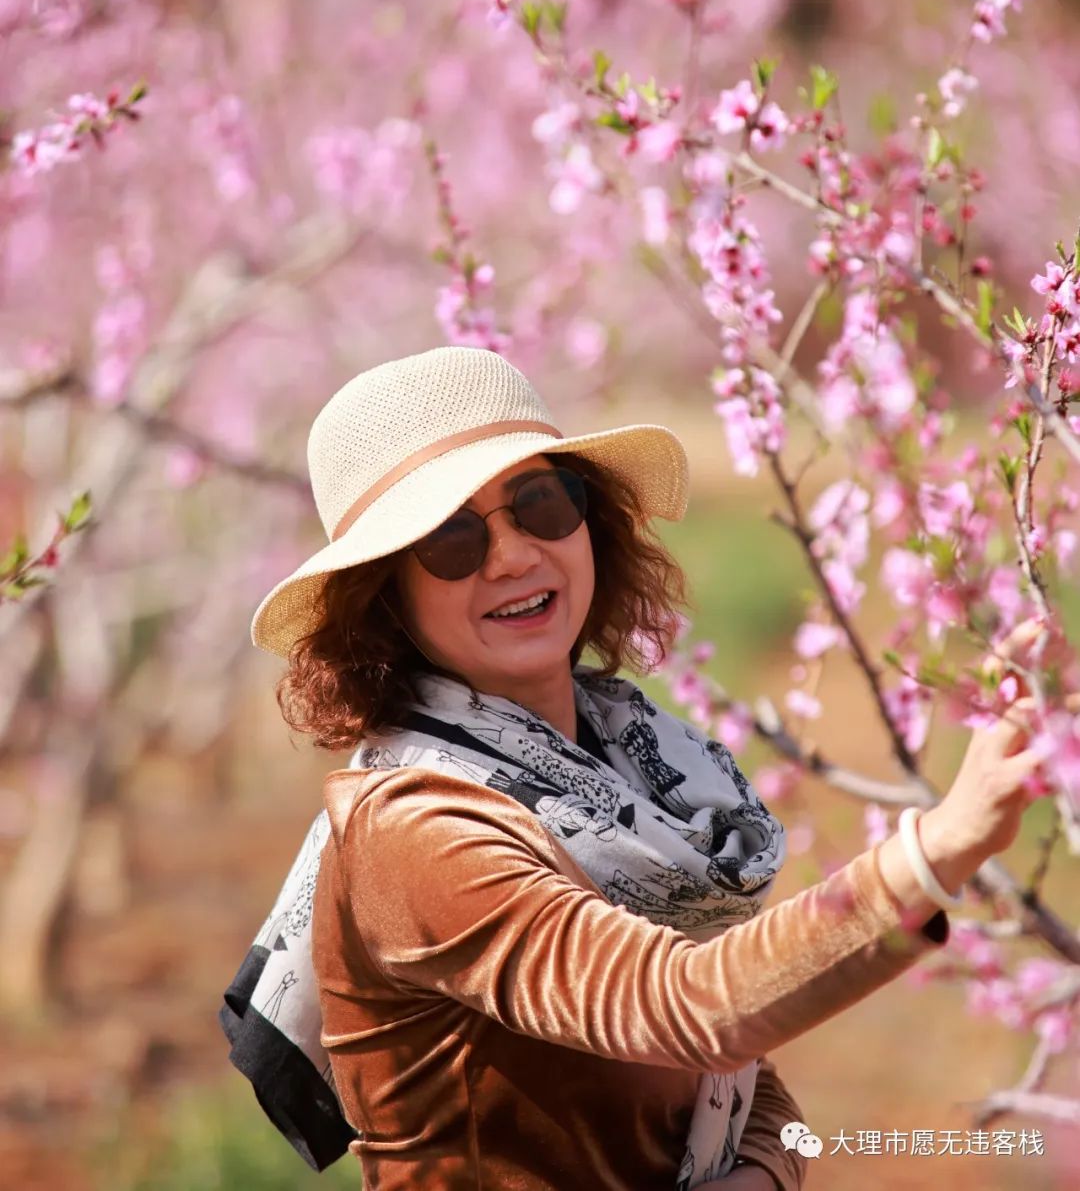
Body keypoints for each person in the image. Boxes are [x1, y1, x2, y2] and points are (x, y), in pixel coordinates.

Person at [224, 345, 1046, 1191]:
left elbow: (741, 1083)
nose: (510, 555)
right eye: (452, 539)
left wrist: (762, 1175)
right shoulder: (415, 828)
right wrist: (940, 846)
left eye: (539, 503)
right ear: (386, 598)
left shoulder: (622, 768)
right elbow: (691, 1008)